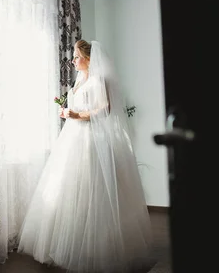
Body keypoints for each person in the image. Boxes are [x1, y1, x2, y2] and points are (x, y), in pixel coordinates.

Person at [17, 40, 155, 272]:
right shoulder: (80, 80)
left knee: (92, 190)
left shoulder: (98, 80)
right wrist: (66, 113)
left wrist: (77, 114)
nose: (72, 60)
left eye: (76, 56)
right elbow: (77, 110)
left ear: (89, 58)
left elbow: (105, 109)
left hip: (90, 141)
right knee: (66, 188)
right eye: (73, 56)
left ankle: (96, 248)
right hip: (71, 139)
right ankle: (65, 243)